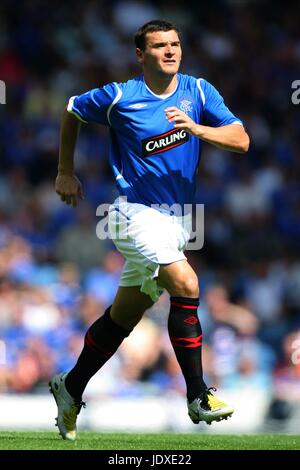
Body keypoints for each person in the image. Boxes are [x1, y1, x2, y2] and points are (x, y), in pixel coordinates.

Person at [49, 19, 250, 440]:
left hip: (179, 221)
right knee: (186, 282)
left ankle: (70, 387)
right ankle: (198, 394)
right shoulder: (121, 96)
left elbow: (241, 139)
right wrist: (65, 171)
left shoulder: (198, 92)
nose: (170, 51)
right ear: (141, 55)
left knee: (124, 315)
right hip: (132, 213)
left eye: (175, 44)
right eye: (160, 46)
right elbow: (71, 111)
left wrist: (198, 129)